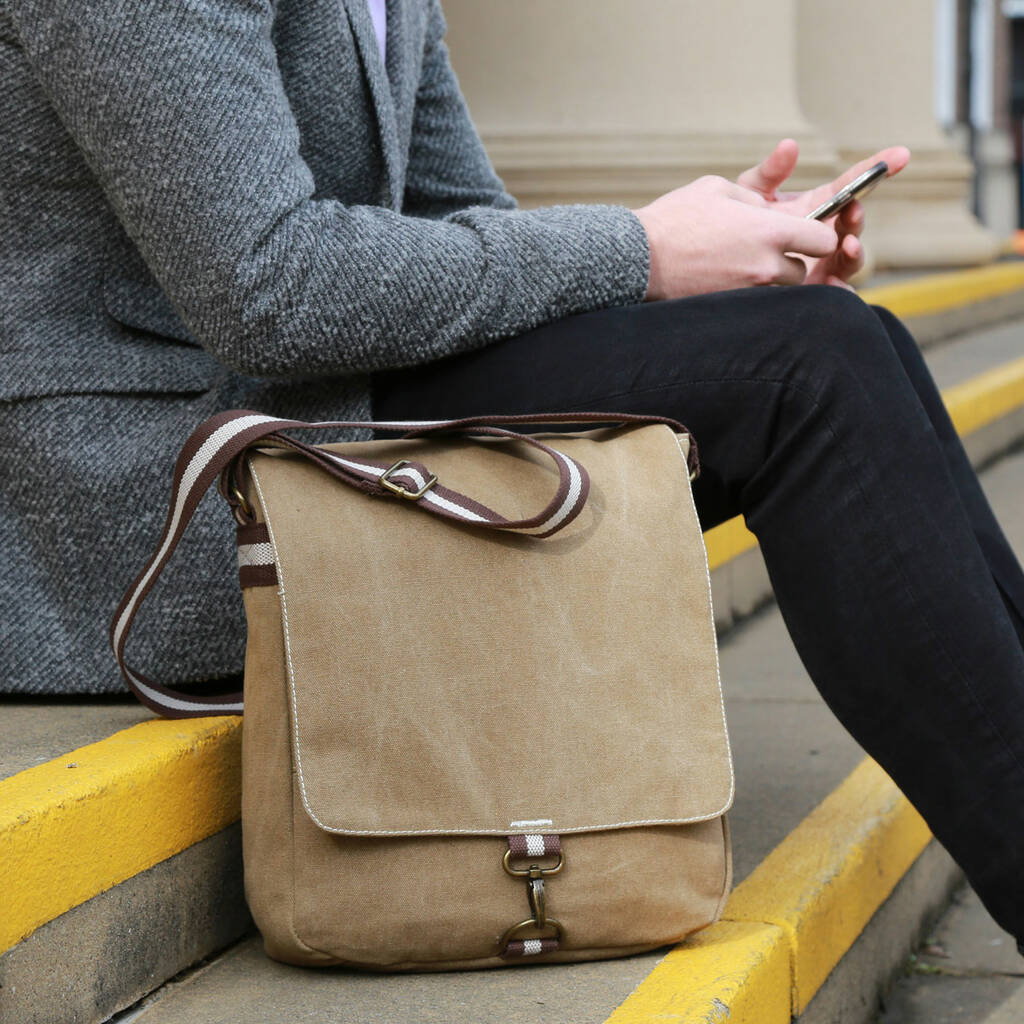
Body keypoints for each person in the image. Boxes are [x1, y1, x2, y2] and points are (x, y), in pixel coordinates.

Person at [2, 0, 1022, 953]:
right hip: (163, 495)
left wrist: (716, 267)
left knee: (845, 341)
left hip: (320, 406)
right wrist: (639, 251)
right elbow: (271, 287)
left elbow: (459, 220)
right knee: (814, 367)